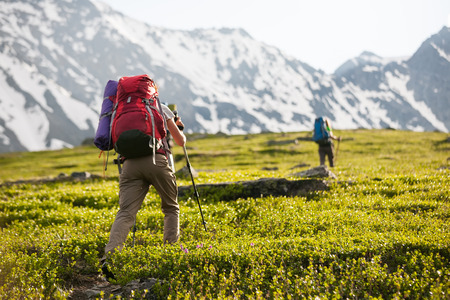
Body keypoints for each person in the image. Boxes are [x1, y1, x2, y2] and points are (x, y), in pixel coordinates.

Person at [102, 103, 186, 280]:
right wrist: (177, 126)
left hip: (130, 165)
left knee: (125, 213)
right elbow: (180, 141)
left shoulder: (122, 109)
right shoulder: (159, 107)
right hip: (157, 160)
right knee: (171, 208)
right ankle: (169, 254)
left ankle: (110, 258)